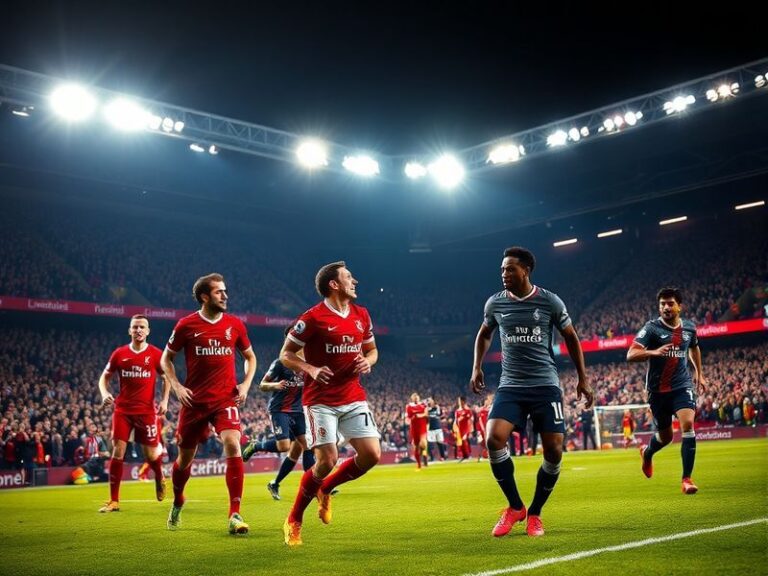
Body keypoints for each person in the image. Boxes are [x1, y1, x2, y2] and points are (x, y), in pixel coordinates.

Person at [470, 246, 593, 538]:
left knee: (553, 450)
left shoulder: (549, 301)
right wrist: (477, 367)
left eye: (510, 269)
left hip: (545, 385)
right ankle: (515, 507)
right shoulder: (495, 304)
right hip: (510, 385)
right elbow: (484, 334)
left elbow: (571, 338)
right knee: (493, 438)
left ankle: (535, 513)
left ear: (526, 270)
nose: (504, 274)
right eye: (502, 269)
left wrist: (582, 378)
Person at [280, 261, 380, 547]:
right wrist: (310, 369)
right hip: (320, 401)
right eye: (349, 277)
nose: (355, 281)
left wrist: (367, 361)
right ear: (334, 284)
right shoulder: (312, 318)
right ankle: (294, 519)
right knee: (326, 460)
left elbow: (372, 351)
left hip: (353, 396)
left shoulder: (362, 315)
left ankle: (326, 488)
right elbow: (286, 354)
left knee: (372, 455)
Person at [161, 273, 257, 534]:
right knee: (184, 459)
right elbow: (165, 359)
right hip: (194, 402)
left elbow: (250, 357)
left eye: (225, 291)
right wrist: (178, 386)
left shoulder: (235, 325)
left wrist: (246, 383)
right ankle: (178, 499)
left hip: (225, 398)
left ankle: (234, 514)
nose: (225, 296)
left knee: (232, 441)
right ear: (205, 297)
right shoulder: (186, 325)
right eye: (219, 292)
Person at [627, 287, 706, 494]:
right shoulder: (651, 328)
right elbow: (631, 354)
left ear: (679, 306)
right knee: (666, 437)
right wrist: (653, 352)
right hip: (657, 391)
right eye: (662, 304)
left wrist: (699, 372)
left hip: (682, 386)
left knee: (688, 424)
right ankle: (647, 452)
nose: (666, 307)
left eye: (670, 303)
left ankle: (686, 479)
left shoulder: (688, 328)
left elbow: (694, 347)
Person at [97, 314, 170, 512]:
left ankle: (159, 476)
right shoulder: (119, 354)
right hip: (122, 410)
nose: (138, 330)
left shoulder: (156, 354)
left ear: (148, 331)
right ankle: (114, 501)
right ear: (129, 330)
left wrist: (164, 400)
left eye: (142, 327)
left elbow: (167, 378)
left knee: (150, 454)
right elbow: (104, 378)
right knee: (118, 450)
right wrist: (105, 394)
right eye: (135, 327)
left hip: (146, 412)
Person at [242, 323, 316, 501]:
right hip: (280, 409)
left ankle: (314, 486)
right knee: (284, 447)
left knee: (307, 445)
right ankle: (256, 446)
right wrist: (275, 385)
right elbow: (262, 385)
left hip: (298, 411)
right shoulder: (280, 364)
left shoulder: (306, 365)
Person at [405, 393, 429, 469]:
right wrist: (408, 421)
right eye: (414, 397)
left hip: (422, 427)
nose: (416, 398)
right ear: (412, 398)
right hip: (414, 428)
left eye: (417, 397)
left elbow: (426, 414)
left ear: (419, 397)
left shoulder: (423, 405)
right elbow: (407, 418)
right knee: (416, 446)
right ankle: (419, 464)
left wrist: (419, 415)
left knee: (423, 443)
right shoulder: (409, 406)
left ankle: (424, 458)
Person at [454, 397, 474, 462]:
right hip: (460, 429)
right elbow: (456, 420)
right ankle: (464, 455)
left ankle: (468, 455)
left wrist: (471, 429)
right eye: (459, 401)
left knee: (465, 440)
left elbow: (470, 419)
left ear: (463, 401)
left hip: (466, 428)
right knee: (461, 442)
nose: (459, 402)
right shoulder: (457, 411)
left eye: (460, 401)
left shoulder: (467, 410)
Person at [476, 394, 493, 461]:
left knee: (489, 441)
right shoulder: (481, 409)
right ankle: (480, 455)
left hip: (489, 428)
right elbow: (479, 419)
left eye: (488, 400)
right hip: (481, 429)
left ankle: (489, 454)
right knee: (481, 442)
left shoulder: (491, 408)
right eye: (486, 400)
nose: (487, 401)